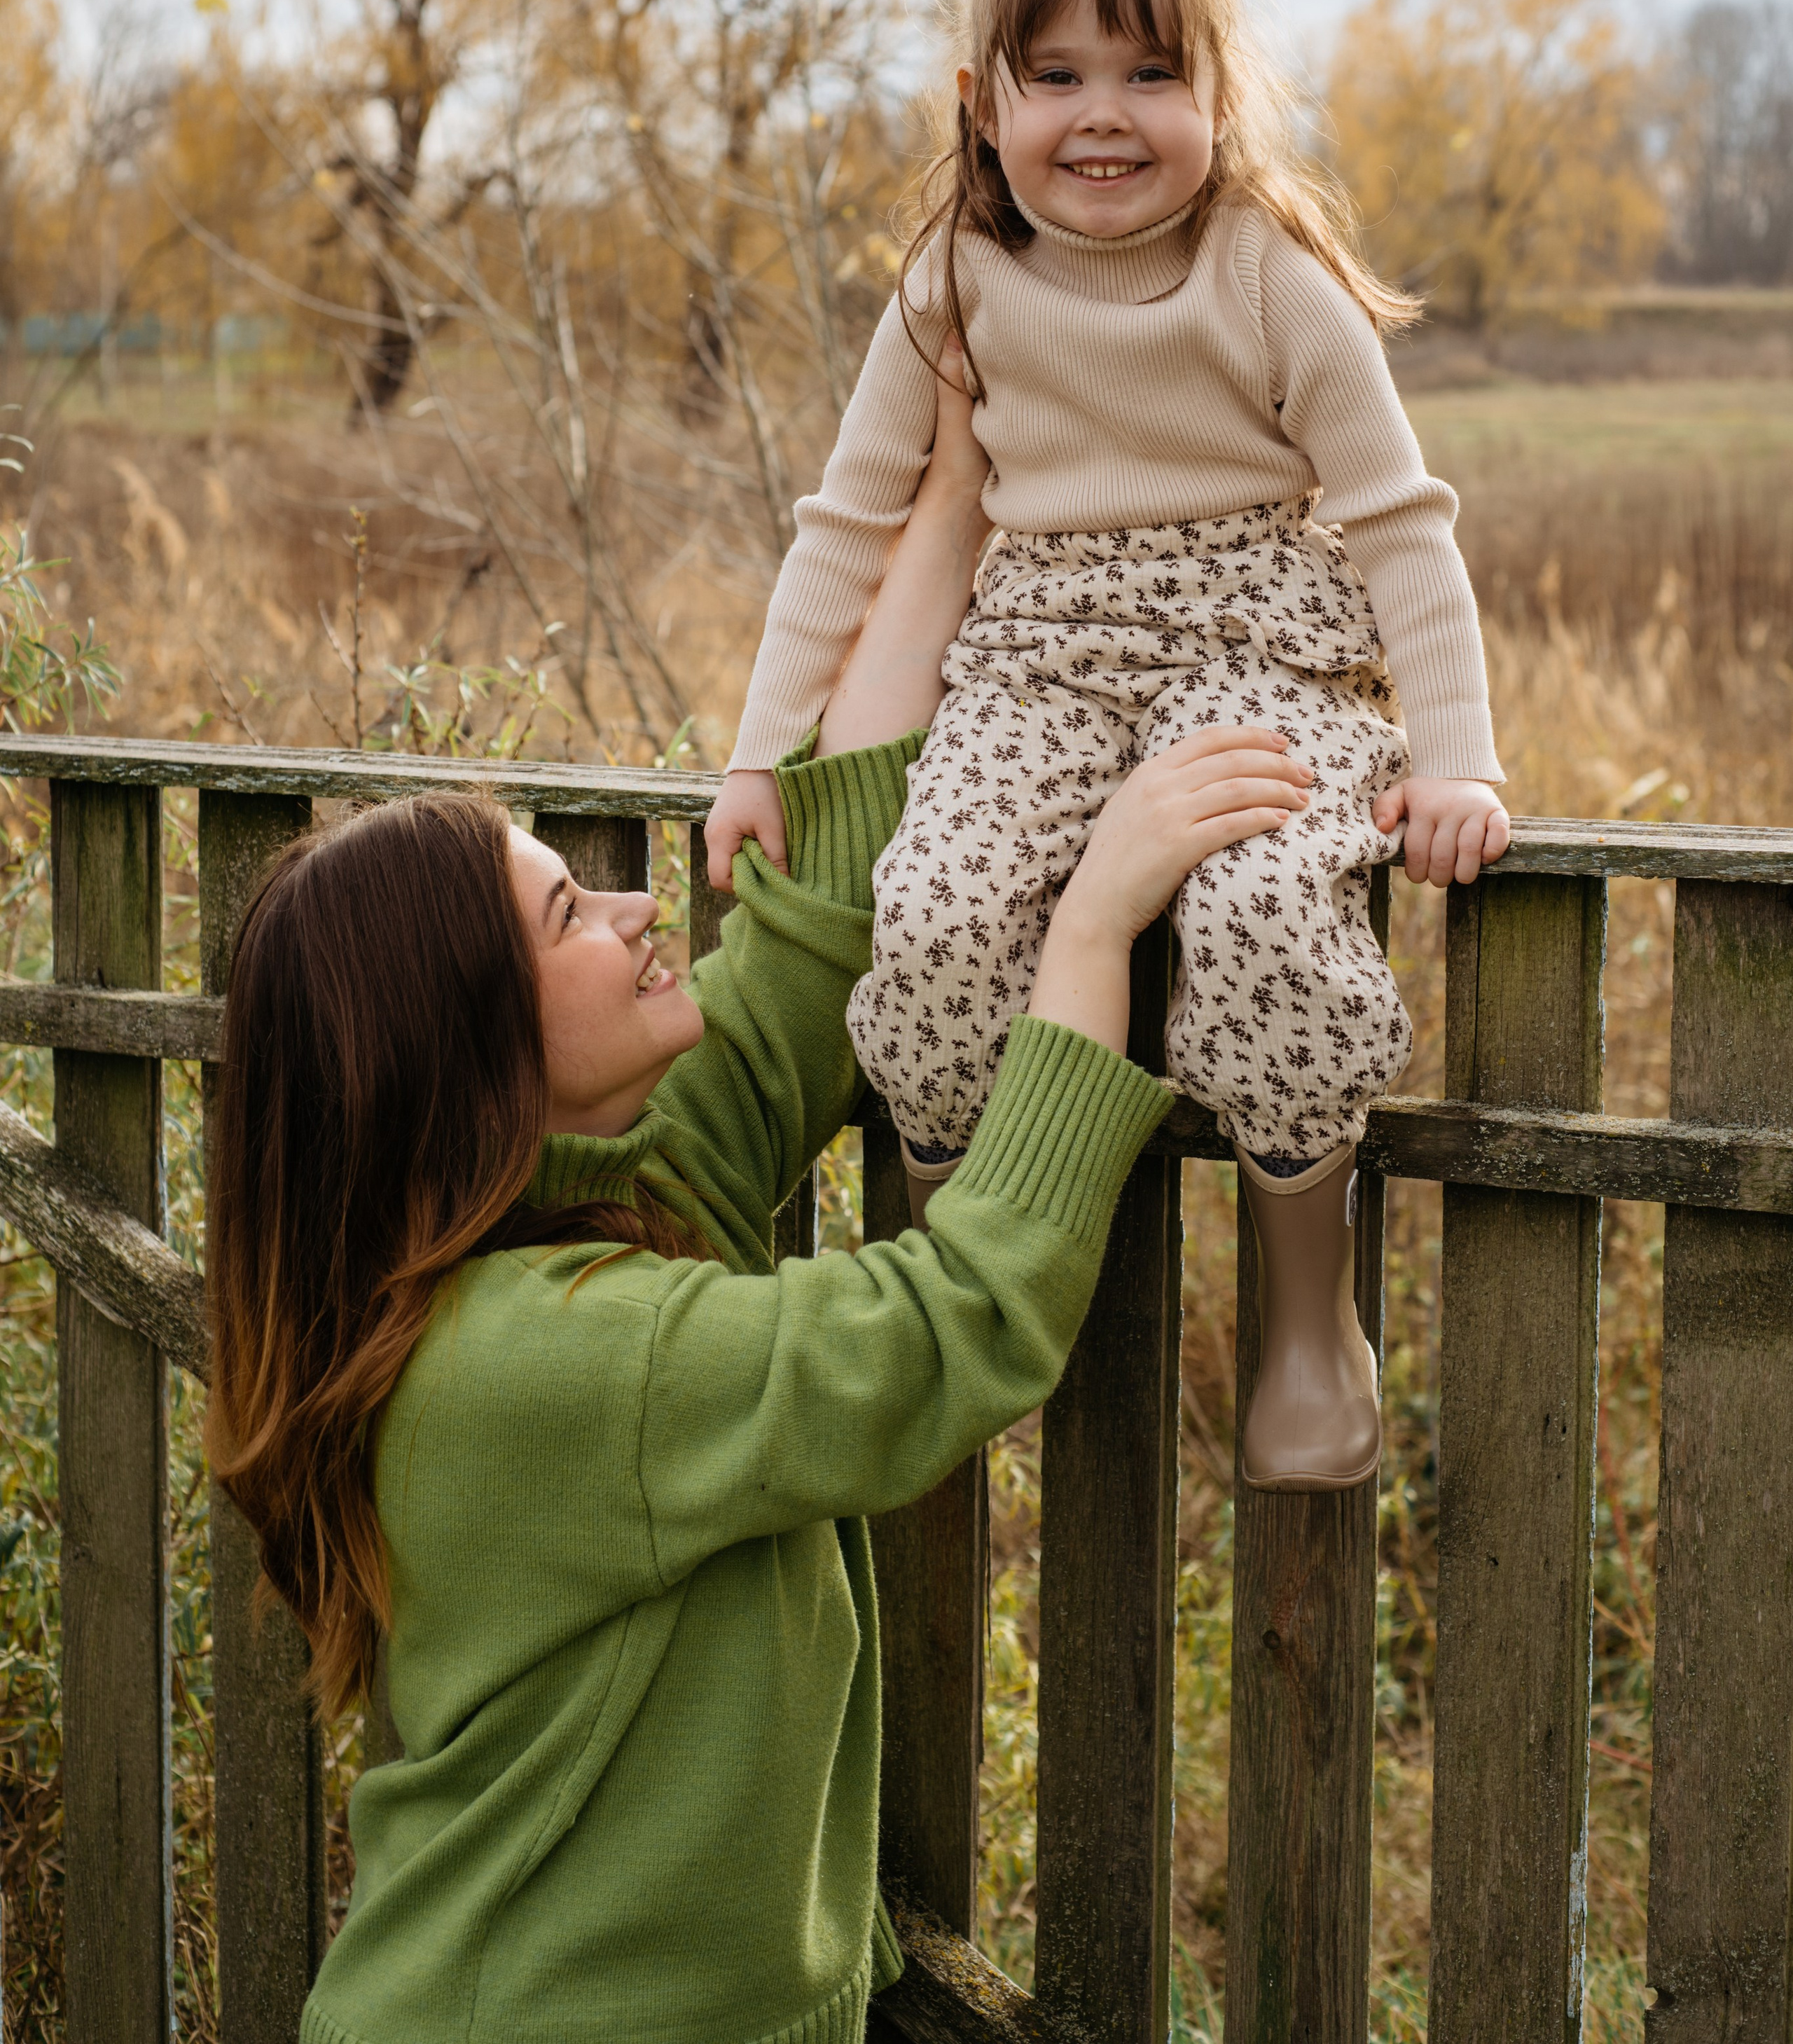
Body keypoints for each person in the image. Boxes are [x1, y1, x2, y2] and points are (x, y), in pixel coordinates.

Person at [204, 365, 1307, 2044]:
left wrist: (950, 485)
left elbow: (805, 940)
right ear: (468, 1051)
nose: (647, 910)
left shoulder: (594, 1216)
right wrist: (1088, 928)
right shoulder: (543, 1358)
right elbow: (945, 1330)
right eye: (572, 911)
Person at [707, 0, 1509, 1493]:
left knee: (1270, 904)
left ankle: (1305, 1318)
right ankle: (963, 1295)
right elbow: (847, 523)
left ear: (1221, 95)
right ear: (980, 98)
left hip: (1254, 650)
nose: (1103, 114)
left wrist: (1456, 758)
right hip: (1036, 663)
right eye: (1056, 74)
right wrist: (752, 753)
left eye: (1151, 73)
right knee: (935, 911)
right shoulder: (948, 279)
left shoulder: (1264, 273)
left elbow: (1400, 530)